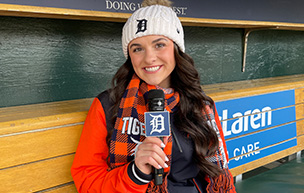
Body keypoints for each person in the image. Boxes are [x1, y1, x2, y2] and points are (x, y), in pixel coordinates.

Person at [71, 0, 236, 192]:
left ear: (176, 48)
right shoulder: (107, 105)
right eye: (138, 48)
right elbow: (87, 180)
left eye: (159, 45)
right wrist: (135, 173)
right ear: (129, 56)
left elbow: (221, 176)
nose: (149, 58)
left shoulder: (201, 104)